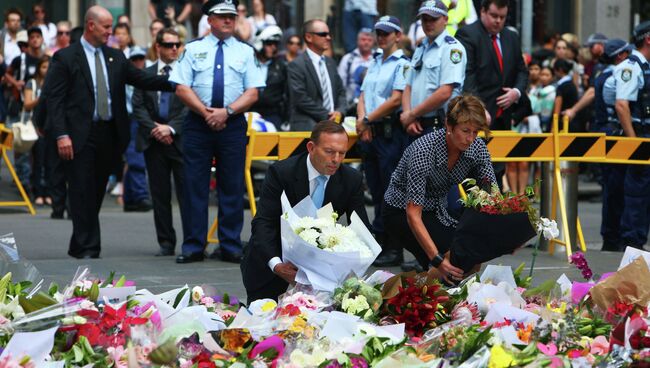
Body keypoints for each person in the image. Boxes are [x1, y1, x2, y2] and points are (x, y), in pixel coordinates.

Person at [47, 5, 173, 259]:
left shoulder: (115, 57)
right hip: (78, 134)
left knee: (95, 190)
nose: (110, 32)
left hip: (109, 134)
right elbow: (54, 100)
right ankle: (89, 247)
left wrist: (175, 81)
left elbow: (141, 79)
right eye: (106, 27)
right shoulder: (66, 58)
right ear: (91, 25)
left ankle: (78, 244)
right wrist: (61, 134)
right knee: (81, 189)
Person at [169, 0, 265, 264]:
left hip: (232, 123)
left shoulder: (246, 52)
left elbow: (253, 91)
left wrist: (227, 112)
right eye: (222, 16)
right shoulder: (192, 49)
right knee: (194, 186)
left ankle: (230, 245)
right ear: (209, 20)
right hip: (198, 123)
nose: (228, 21)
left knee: (232, 185)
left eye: (232, 17)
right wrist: (206, 112)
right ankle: (193, 246)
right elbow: (181, 87)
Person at [241, 121, 369, 302]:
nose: (336, 160)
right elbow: (264, 222)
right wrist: (276, 265)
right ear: (311, 147)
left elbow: (361, 227)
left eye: (342, 153)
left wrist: (355, 265)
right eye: (329, 152)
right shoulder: (281, 173)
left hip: (323, 268)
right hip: (274, 261)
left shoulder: (351, 179)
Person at [383, 95, 496, 284]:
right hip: (400, 211)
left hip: (436, 208)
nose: (470, 138)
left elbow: (492, 194)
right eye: (465, 130)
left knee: (468, 255)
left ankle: (422, 287)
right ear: (449, 126)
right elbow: (413, 213)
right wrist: (437, 259)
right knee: (447, 266)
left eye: (476, 132)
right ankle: (409, 293)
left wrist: (507, 234)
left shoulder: (477, 147)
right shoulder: (424, 150)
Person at [355, 15, 410, 268]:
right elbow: (364, 94)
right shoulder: (375, 61)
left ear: (397, 36)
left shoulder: (403, 64)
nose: (381, 37)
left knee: (391, 192)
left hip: (389, 132)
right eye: (378, 33)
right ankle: (380, 243)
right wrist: (362, 121)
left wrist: (367, 119)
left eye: (386, 33)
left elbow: (397, 99)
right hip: (370, 131)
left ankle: (394, 246)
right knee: (376, 190)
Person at [455, 0, 527, 189]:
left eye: (502, 17)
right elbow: (468, 75)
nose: (498, 21)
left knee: (497, 170)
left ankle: (495, 213)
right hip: (478, 118)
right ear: (483, 11)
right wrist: (478, 108)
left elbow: (521, 70)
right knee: (476, 175)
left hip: (504, 116)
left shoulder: (511, 37)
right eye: (494, 16)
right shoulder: (468, 34)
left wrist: (516, 92)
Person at [132, 28, 187, 256]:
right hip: (153, 141)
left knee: (187, 194)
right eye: (169, 45)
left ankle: (193, 241)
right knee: (159, 194)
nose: (174, 48)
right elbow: (138, 105)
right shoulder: (145, 73)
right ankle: (166, 242)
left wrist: (171, 128)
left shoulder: (185, 73)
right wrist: (155, 128)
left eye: (177, 44)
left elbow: (190, 105)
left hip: (181, 140)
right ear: (158, 47)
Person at [400, 0, 466, 140]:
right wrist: (409, 116)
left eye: (434, 19)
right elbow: (408, 86)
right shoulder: (420, 47)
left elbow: (445, 92)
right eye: (425, 19)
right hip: (414, 125)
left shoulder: (451, 49)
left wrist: (412, 114)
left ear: (445, 20)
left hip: (438, 125)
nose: (428, 23)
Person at [591, 39, 632, 251]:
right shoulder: (617, 76)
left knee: (611, 188)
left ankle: (611, 237)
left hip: (604, 134)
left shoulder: (602, 74)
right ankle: (613, 238)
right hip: (614, 134)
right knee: (617, 189)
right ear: (620, 56)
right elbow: (621, 107)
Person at [614, 21, 650, 250]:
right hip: (640, 136)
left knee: (645, 194)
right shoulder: (631, 67)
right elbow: (621, 105)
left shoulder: (645, 66)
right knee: (637, 194)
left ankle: (638, 243)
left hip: (645, 136)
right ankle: (633, 245)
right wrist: (633, 141)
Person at [287, 19, 346, 131]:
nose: (328, 38)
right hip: (308, 129)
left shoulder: (331, 63)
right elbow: (300, 98)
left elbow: (341, 92)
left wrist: (340, 112)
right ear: (309, 37)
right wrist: (328, 116)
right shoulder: (296, 65)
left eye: (329, 34)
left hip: (334, 127)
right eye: (323, 34)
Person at [122, 46, 153, 213]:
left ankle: (130, 198)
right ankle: (140, 196)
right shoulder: (124, 76)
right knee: (135, 158)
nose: (138, 62)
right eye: (134, 59)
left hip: (145, 119)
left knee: (136, 158)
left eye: (140, 58)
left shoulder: (149, 74)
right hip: (130, 119)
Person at [23, 55, 50, 206]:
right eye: (44, 67)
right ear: (39, 68)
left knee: (51, 162)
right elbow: (27, 105)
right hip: (35, 126)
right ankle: (38, 192)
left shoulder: (55, 83)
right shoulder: (32, 84)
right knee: (38, 160)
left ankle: (49, 192)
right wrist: (41, 99)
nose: (47, 70)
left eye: (49, 67)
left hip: (51, 125)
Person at [251, 25, 288, 129]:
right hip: (249, 114)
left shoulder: (282, 66)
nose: (273, 47)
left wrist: (286, 119)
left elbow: (288, 95)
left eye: (276, 44)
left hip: (273, 115)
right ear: (260, 44)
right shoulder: (248, 64)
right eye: (269, 43)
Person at [338, 29, 375, 106]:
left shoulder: (378, 59)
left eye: (369, 40)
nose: (366, 42)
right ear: (357, 41)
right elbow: (340, 84)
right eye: (363, 39)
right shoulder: (347, 59)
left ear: (373, 41)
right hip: (350, 104)